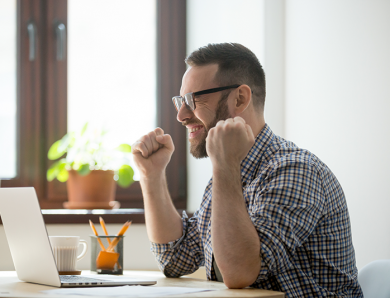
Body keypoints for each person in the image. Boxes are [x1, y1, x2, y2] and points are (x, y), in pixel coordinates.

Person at [131, 43, 363, 297]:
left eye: (193, 99)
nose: (182, 115)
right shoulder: (228, 176)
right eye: (180, 101)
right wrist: (151, 176)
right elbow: (175, 259)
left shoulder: (295, 171)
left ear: (240, 98)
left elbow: (240, 273)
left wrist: (225, 166)